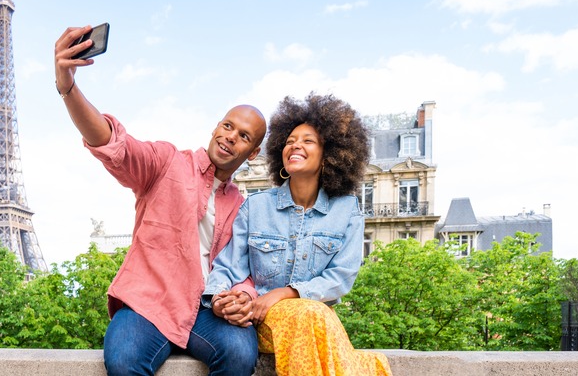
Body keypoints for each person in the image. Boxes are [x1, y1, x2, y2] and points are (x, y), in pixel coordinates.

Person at [54, 25, 266, 375]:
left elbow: (244, 269)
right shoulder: (167, 162)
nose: (230, 137)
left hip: (206, 310)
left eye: (243, 136)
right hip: (148, 304)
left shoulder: (242, 207)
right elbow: (112, 144)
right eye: (227, 126)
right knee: (123, 360)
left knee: (241, 355)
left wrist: (243, 296)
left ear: (253, 152)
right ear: (216, 127)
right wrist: (68, 86)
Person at [204, 93, 392, 376]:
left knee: (313, 313)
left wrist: (287, 292)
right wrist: (219, 297)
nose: (295, 146)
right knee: (313, 315)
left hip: (315, 324)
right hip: (264, 321)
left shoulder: (347, 211)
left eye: (307, 141)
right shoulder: (256, 207)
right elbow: (228, 266)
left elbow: (341, 277)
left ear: (329, 154)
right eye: (290, 140)